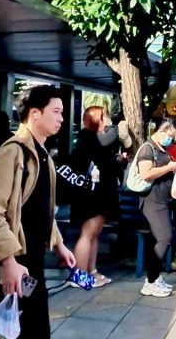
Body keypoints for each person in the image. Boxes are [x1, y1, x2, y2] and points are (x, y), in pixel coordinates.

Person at [0, 86, 75, 339]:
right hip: (16, 259)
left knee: (23, 323)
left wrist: (58, 244)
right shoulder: (12, 152)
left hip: (31, 259)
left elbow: (43, 209)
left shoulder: (42, 155)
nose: (61, 118)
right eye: (56, 112)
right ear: (35, 114)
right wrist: (8, 261)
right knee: (13, 323)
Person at [69, 106, 124, 288]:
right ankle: (80, 276)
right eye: (103, 116)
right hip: (92, 194)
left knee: (94, 234)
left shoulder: (92, 139)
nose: (106, 120)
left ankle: (91, 271)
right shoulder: (91, 138)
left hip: (100, 193)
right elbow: (110, 138)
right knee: (88, 233)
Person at [135, 121, 176, 298]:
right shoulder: (148, 149)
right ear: (162, 132)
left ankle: (154, 278)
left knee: (159, 239)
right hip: (152, 201)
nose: (171, 141)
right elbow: (146, 174)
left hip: (163, 200)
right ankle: (150, 280)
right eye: (170, 137)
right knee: (165, 237)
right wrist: (169, 167)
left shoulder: (161, 149)